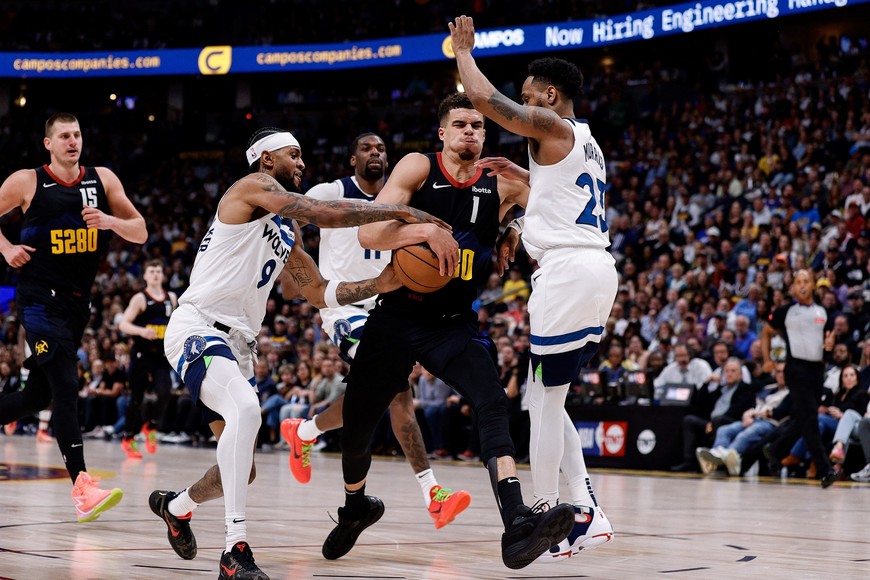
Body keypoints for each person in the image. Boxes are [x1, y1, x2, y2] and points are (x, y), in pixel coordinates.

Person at [148, 127, 448, 580]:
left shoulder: (286, 233)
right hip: (198, 326)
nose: (303, 163)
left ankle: (177, 507)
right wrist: (398, 208)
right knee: (248, 411)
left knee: (241, 471)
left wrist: (380, 285)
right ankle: (235, 552)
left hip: (239, 346)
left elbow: (318, 293)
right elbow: (320, 211)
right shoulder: (251, 188)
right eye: (294, 155)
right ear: (266, 160)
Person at [324, 92, 573, 570]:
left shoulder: (501, 184)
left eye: (478, 126)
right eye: (460, 124)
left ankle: (516, 520)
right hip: (397, 317)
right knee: (357, 429)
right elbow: (369, 234)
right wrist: (424, 229)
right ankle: (356, 507)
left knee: (492, 400)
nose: (471, 133)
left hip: (453, 323)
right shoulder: (419, 166)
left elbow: (554, 212)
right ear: (443, 132)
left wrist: (514, 227)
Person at [451, 16, 617, 563]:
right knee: (545, 396)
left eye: (530, 97)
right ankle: (587, 510)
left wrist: (464, 52)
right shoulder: (585, 141)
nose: (523, 105)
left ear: (549, 97)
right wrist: (527, 184)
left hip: (568, 273)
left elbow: (485, 99)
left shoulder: (551, 124)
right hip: (592, 270)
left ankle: (546, 514)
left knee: (542, 404)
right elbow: (562, 199)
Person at [280, 133, 470, 528]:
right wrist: (298, 267)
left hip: (390, 307)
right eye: (366, 148)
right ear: (353, 159)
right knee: (399, 395)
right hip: (345, 309)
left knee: (376, 398)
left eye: (381, 149)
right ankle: (433, 493)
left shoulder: (401, 198)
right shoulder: (332, 190)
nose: (375, 154)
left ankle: (305, 430)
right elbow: (288, 216)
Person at [0, 112, 146, 522]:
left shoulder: (102, 179)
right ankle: (82, 487)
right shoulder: (27, 181)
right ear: (48, 143)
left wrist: (111, 221)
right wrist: (6, 248)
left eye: (77, 134)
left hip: (77, 305)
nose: (72, 141)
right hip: (37, 300)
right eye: (64, 135)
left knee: (37, 397)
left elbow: (141, 230)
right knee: (66, 383)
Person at [761, 269, 839, 488]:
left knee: (804, 418)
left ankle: (775, 449)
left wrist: (829, 347)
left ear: (813, 284)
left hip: (816, 371)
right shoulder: (785, 311)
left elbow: (828, 343)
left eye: (806, 281)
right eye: (798, 282)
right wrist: (767, 359)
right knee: (811, 420)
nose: (802, 285)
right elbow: (766, 332)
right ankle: (825, 470)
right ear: (793, 287)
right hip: (795, 369)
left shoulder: (823, 312)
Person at [117, 259, 177, 459]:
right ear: (144, 276)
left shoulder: (171, 298)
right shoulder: (140, 299)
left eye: (158, 271)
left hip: (161, 355)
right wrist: (142, 331)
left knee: (165, 392)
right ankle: (128, 438)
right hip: (141, 354)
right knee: (136, 398)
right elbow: (123, 325)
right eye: (151, 271)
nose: (155, 274)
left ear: (163, 274)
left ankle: (150, 426)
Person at [695, 362, 791, 476]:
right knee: (725, 430)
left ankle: (725, 456)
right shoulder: (767, 388)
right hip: (753, 419)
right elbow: (753, 405)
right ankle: (717, 453)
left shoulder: (792, 392)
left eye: (784, 372)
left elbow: (781, 412)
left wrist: (756, 414)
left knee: (745, 434)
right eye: (779, 372)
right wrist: (747, 414)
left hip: (770, 423)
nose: (781, 375)